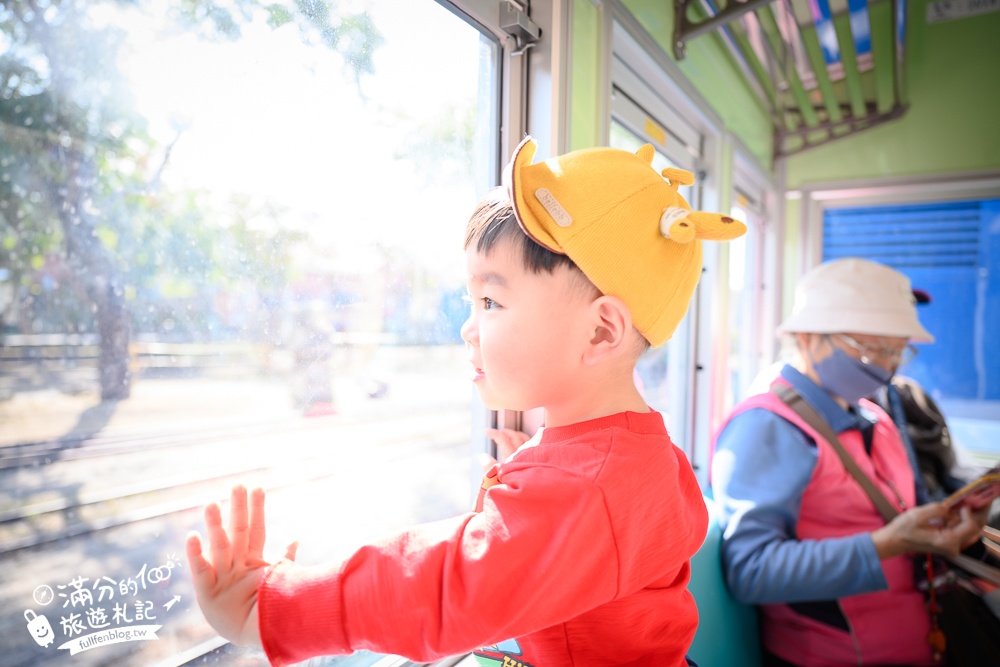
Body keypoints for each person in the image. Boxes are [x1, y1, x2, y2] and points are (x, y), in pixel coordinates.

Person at [186, 136, 746, 666]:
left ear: (602, 332)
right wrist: (541, 466)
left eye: (491, 301)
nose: (468, 329)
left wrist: (275, 608)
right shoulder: (641, 450)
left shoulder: (588, 488)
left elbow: (446, 587)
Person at [711, 257, 990, 666]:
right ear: (807, 337)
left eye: (898, 351)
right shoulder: (768, 426)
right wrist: (890, 544)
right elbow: (752, 571)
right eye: (871, 349)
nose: (888, 366)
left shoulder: (876, 417)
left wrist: (952, 525)